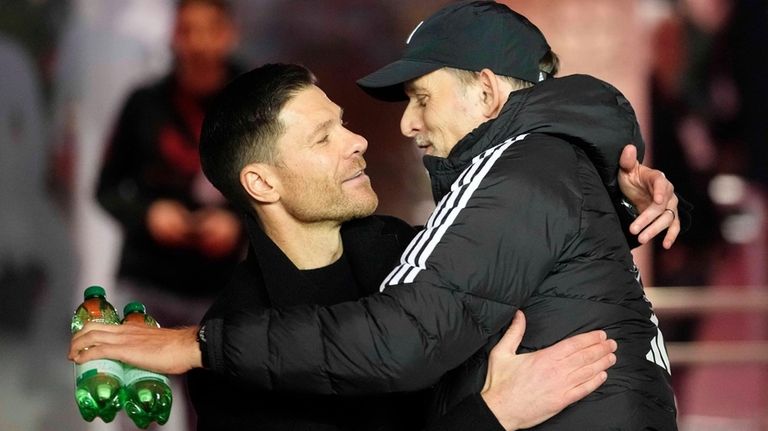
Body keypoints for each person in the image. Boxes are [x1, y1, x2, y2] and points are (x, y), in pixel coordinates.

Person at [72, 55, 679, 430]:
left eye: (344, 123)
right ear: (262, 182)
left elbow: (516, 259)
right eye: (323, 138)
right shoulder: (234, 352)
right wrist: (490, 419)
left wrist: (616, 198)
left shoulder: (401, 250)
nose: (359, 141)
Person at [94, 1, 243, 429]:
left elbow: (286, 188)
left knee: (218, 414)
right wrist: (149, 214)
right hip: (147, 283)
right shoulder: (144, 104)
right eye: (186, 30)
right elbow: (105, 188)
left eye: (208, 30)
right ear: (173, 35)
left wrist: (239, 222)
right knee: (139, 414)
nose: (196, 43)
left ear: (228, 33)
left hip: (222, 293)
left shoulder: (257, 105)